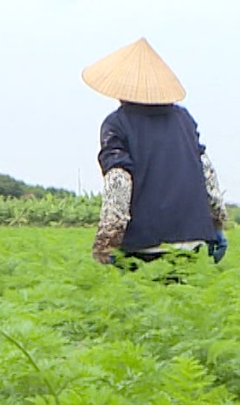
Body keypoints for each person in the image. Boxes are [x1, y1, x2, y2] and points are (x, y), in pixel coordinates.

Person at [81, 38, 229, 267]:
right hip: (192, 241)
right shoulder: (184, 120)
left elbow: (119, 183)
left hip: (143, 246)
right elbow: (207, 174)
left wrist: (106, 242)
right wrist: (217, 224)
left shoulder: (117, 124)